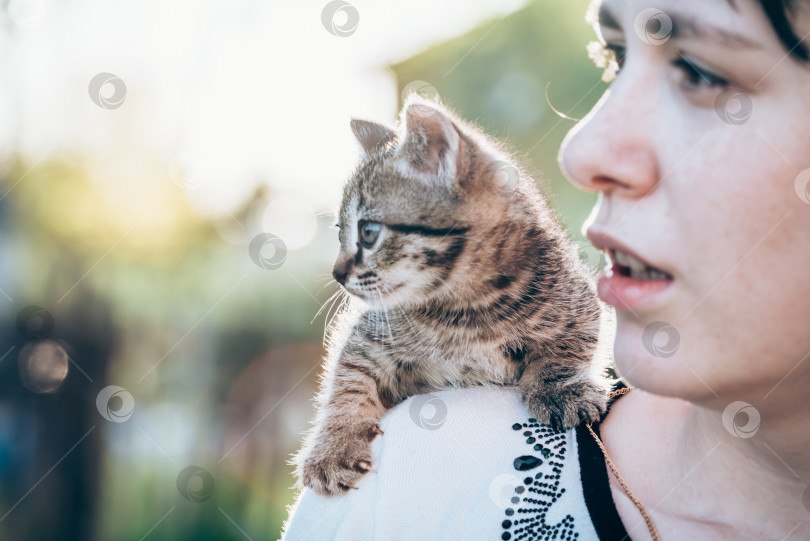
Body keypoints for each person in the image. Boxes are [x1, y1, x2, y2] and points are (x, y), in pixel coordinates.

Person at [280, 0, 810, 539]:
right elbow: (364, 364)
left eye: (699, 71)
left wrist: (551, 371)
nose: (579, 150)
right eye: (614, 58)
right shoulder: (397, 496)